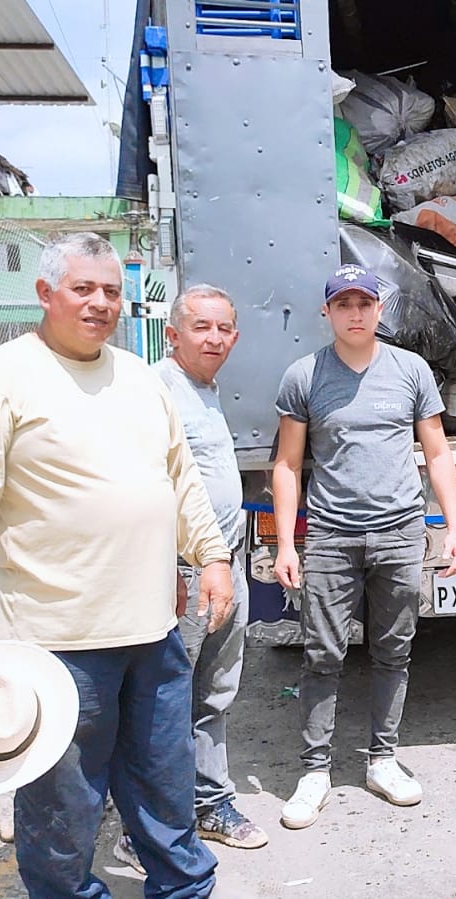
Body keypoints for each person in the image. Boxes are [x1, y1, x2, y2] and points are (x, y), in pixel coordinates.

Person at [0, 232, 233, 898]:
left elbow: (179, 478)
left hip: (153, 632)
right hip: (58, 642)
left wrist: (211, 555)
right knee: (63, 808)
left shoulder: (139, 378)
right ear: (45, 293)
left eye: (111, 291)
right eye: (83, 288)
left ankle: (183, 890)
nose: (100, 303)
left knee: (165, 784)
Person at [271, 263, 456, 830]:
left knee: (393, 652)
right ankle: (315, 771)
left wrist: (453, 527)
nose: (355, 314)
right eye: (343, 304)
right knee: (321, 654)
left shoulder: (411, 370)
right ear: (327, 312)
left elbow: (437, 453)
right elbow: (287, 465)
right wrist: (286, 544)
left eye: (364, 303)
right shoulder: (304, 376)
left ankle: (383, 760)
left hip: (400, 532)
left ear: (380, 310)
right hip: (331, 535)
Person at [112, 284, 266, 872]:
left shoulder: (205, 390)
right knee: (163, 703)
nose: (214, 338)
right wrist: (167, 565)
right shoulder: (157, 389)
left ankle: (207, 803)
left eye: (224, 328)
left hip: (224, 564)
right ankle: (144, 828)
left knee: (213, 694)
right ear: (173, 334)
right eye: (201, 327)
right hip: (182, 572)